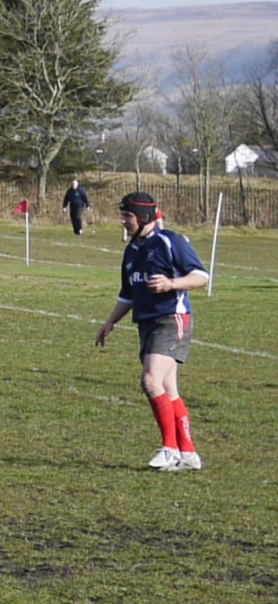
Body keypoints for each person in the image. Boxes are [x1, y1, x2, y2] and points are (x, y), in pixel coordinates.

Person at [95, 191, 209, 471]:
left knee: (150, 380)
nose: (123, 221)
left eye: (127, 216)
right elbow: (128, 294)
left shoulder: (170, 241)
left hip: (171, 319)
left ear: (144, 216)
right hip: (146, 322)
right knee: (169, 388)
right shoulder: (132, 250)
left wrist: (171, 284)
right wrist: (110, 322)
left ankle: (169, 449)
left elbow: (201, 277)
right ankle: (189, 454)